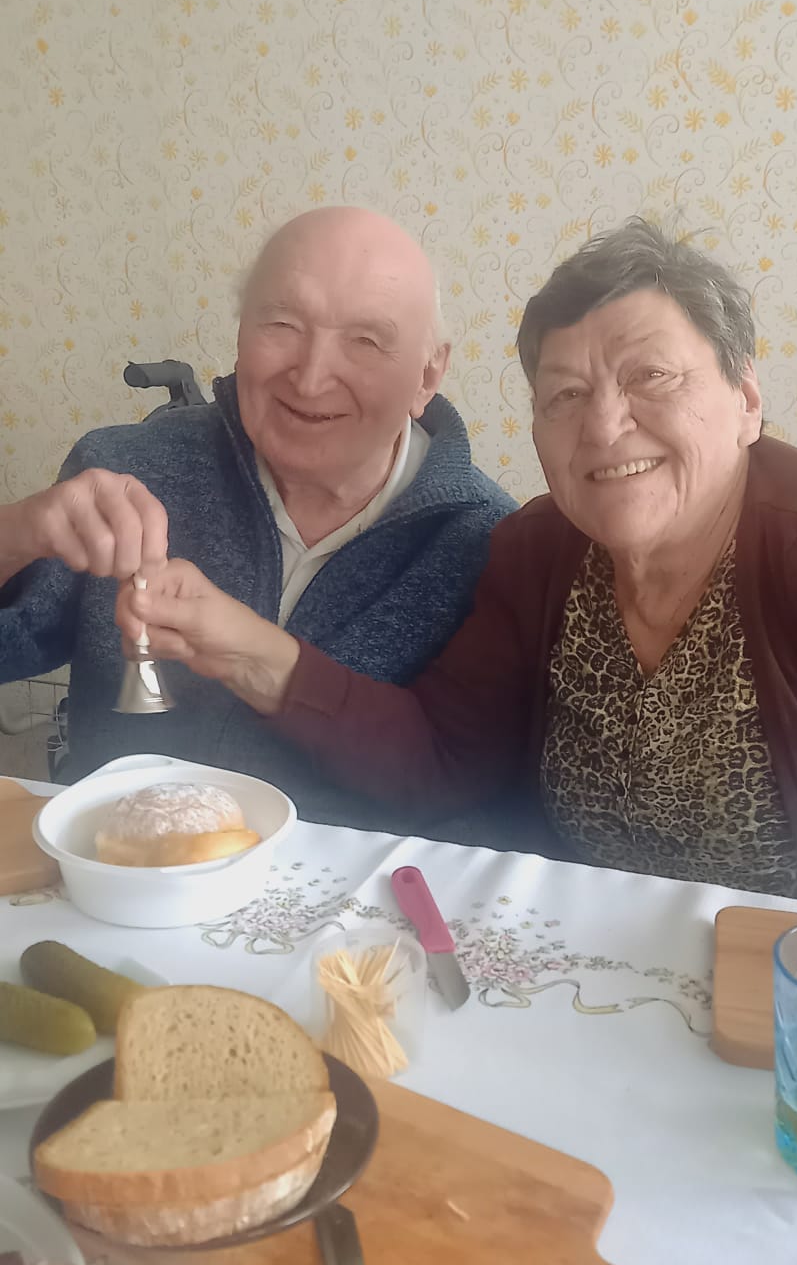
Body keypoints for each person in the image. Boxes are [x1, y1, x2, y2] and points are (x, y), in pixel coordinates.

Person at [121, 219, 797, 893]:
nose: (604, 426)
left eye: (651, 376)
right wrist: (246, 649)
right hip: (579, 962)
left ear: (747, 400)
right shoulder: (538, 551)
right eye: (565, 394)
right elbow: (440, 758)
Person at [0, 206, 515, 824]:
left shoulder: (488, 546)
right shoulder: (127, 469)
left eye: (366, 340)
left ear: (428, 373)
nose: (311, 377)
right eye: (282, 323)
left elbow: (468, 794)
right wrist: (17, 533)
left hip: (342, 885)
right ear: (242, 332)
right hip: (115, 864)